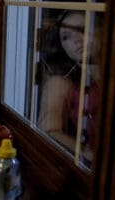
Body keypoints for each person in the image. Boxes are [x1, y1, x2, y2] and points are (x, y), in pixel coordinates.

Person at [37, 11, 102, 159]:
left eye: (83, 30)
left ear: (101, 31)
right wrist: (85, 153)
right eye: (66, 37)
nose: (77, 40)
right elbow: (48, 130)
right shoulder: (61, 82)